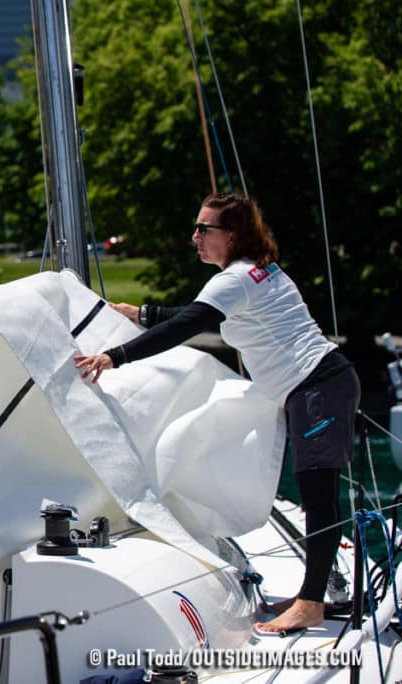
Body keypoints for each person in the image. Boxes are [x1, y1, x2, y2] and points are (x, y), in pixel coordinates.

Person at [73, 193, 359, 634]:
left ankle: (311, 604)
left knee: (320, 498)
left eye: (205, 229)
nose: (196, 238)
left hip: (317, 388)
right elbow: (202, 317)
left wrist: (115, 356)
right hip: (322, 385)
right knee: (318, 496)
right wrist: (142, 313)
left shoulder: (236, 279)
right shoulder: (255, 273)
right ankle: (314, 595)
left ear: (233, 235)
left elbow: (187, 326)